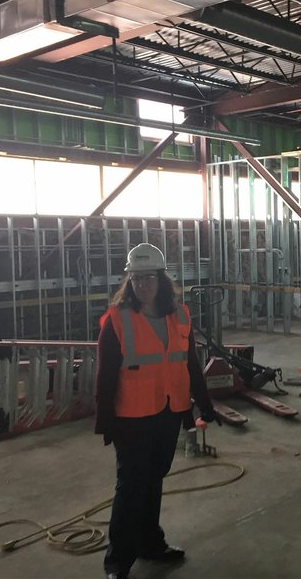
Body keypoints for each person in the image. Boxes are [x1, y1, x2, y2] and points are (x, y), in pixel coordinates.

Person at [95, 242, 217, 579]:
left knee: (153, 481)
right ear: (129, 281)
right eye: (136, 278)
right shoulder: (116, 321)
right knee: (131, 486)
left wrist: (204, 405)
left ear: (162, 279)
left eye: (149, 277)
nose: (143, 284)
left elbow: (191, 365)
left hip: (168, 411)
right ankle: (118, 561)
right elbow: (105, 375)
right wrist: (105, 421)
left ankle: (151, 543)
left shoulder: (179, 315)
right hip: (130, 417)